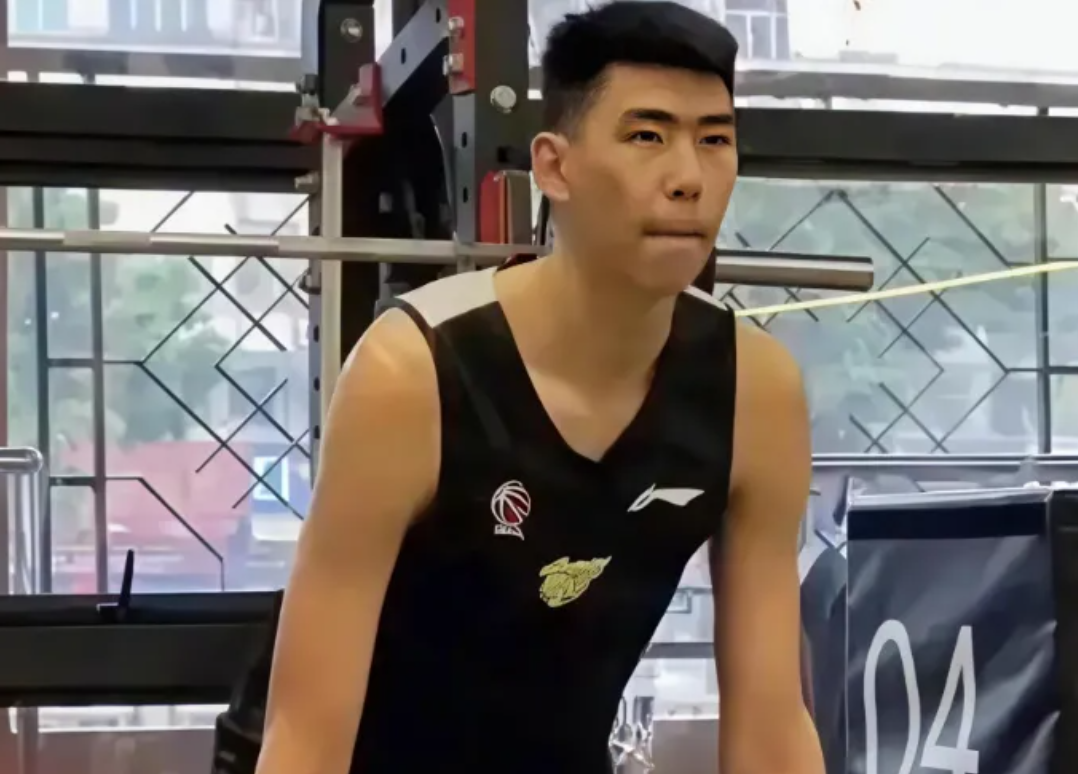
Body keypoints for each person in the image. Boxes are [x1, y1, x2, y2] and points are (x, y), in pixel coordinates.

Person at [254, 3, 824, 774]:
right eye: (647, 137)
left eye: (714, 141)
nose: (689, 179)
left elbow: (771, 725)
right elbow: (303, 740)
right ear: (554, 167)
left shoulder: (756, 391)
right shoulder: (412, 374)